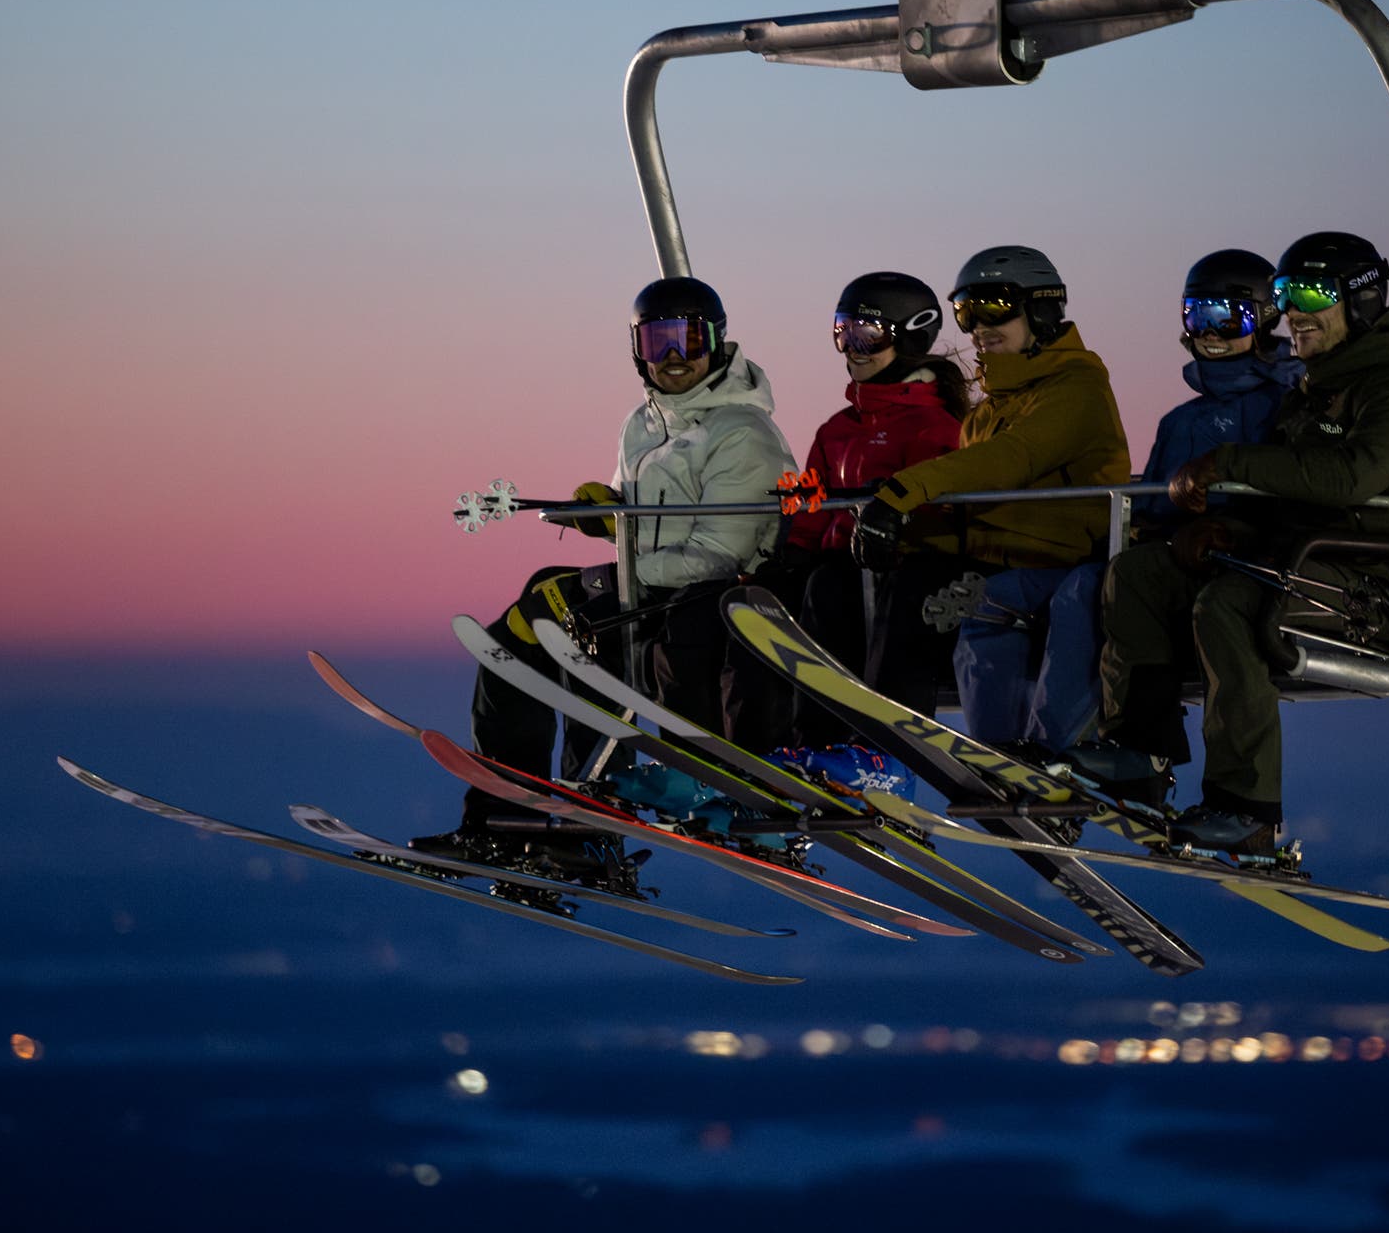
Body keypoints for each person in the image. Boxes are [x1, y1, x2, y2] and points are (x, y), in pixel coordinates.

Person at [418, 275, 797, 861]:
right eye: (656, 342)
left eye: (689, 340)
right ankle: (505, 816)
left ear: (717, 342)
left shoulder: (743, 433)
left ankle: (589, 820)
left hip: (706, 602)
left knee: (581, 627)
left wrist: (611, 576)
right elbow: (641, 519)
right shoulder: (642, 424)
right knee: (513, 638)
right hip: (651, 592)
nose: (673, 357)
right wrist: (607, 515)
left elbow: (719, 553)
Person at [1097, 232, 1389, 854]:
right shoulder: (1311, 395)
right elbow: (1290, 502)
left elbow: (1346, 479)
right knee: (1140, 574)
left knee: (1229, 604)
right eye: (1285, 294)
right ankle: (1139, 753)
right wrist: (1224, 530)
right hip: (1299, 564)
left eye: (1312, 294)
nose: (1293, 312)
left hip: (1363, 587)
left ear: (1362, 300)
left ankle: (1246, 807)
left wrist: (1228, 461)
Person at [1026, 249, 1305, 769]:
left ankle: (1058, 749)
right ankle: (1106, 748)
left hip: (1238, 562)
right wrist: (1140, 530)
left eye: (1229, 318)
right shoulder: (1181, 420)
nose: (1211, 333)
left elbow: (1289, 490)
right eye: (1197, 316)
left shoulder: (1284, 403)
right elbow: (1153, 502)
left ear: (1265, 321)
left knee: (1096, 587)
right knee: (1085, 582)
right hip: (1172, 557)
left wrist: (1227, 530)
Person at [848, 245, 1131, 741]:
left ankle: (895, 747)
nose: (978, 326)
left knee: (941, 594)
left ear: (1041, 309)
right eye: (966, 312)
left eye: (994, 307)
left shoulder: (1077, 389)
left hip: (1062, 563)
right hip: (1000, 562)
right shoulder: (986, 412)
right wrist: (904, 532)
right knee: (888, 578)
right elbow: (973, 512)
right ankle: (991, 756)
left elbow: (1011, 459)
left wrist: (902, 493)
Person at [770, 271, 970, 737]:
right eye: (843, 333)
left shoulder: (934, 427)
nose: (853, 350)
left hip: (899, 574)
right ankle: (805, 743)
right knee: (799, 591)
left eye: (867, 335)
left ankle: (876, 740)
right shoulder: (837, 430)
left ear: (911, 338)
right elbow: (812, 507)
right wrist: (793, 553)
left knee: (830, 588)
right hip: (842, 569)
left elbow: (936, 514)